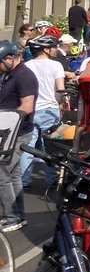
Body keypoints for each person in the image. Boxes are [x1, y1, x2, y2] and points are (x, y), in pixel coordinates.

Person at [0, 39, 37, 230]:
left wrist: (8, 123)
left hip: (17, 132)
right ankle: (18, 216)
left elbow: (27, 106)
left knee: (1, 174)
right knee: (13, 175)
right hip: (9, 131)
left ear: (8, 58)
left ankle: (12, 217)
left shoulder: (24, 76)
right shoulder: (9, 74)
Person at [21, 34, 67, 187]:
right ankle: (51, 178)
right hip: (49, 109)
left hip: (31, 109)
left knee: (28, 146)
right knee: (49, 147)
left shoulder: (27, 66)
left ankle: (24, 180)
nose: (56, 50)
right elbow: (60, 90)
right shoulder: (56, 65)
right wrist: (62, 104)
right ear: (46, 50)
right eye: (54, 47)